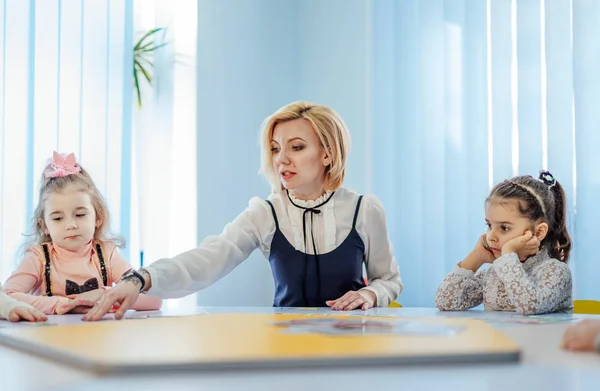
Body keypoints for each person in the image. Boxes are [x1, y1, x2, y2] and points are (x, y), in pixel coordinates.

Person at [83, 101, 402, 321]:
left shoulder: (365, 209)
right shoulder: (266, 213)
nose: (281, 159)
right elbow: (206, 260)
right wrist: (140, 279)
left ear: (328, 154)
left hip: (357, 344)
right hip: (286, 348)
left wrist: (372, 294)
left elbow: (388, 279)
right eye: (276, 148)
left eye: (297, 146)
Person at [4, 152, 162, 315]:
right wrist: (64, 304)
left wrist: (105, 295)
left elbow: (154, 299)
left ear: (98, 217)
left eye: (80, 215)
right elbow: (7, 296)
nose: (71, 225)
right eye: (58, 218)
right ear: (44, 226)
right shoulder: (39, 258)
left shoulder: (106, 254)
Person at [435, 170, 572, 315]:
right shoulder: (493, 273)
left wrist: (508, 254)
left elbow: (530, 306)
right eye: (489, 225)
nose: (491, 236)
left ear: (538, 232)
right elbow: (445, 302)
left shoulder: (556, 272)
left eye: (504, 228)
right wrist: (476, 256)